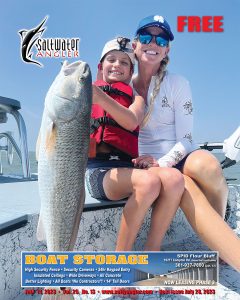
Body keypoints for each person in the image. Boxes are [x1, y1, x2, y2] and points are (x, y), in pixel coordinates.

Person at [131, 15, 240, 271]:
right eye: (146, 36)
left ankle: (221, 228)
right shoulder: (123, 85)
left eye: (161, 38)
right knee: (182, 183)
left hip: (175, 158)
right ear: (135, 45)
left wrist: (165, 162)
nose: (153, 42)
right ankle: (226, 244)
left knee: (208, 166)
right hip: (143, 165)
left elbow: (187, 139)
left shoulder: (178, 84)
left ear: (167, 49)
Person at [86, 37, 185, 251]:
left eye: (124, 62)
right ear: (100, 66)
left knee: (175, 178)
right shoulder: (84, 95)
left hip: (128, 168)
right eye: (111, 59)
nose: (117, 65)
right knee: (148, 183)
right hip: (97, 172)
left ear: (131, 73)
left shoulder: (136, 99)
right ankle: (121, 258)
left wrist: (102, 99)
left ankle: (152, 250)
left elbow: (131, 122)